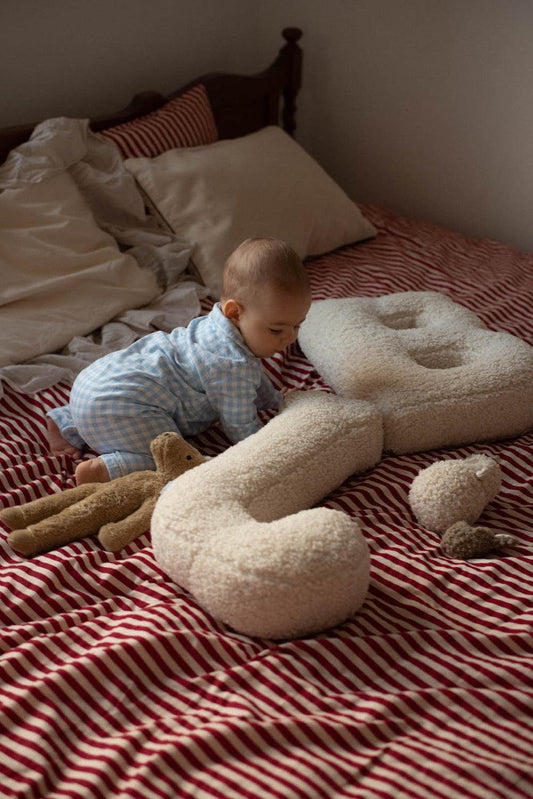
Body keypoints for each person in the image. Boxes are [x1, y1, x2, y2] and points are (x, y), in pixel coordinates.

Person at [47, 237, 311, 485]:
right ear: (235, 312)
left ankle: (65, 421)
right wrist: (267, 450)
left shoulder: (214, 328)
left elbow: (253, 376)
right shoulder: (231, 364)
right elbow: (241, 427)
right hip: (123, 406)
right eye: (276, 330)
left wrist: (273, 399)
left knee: (125, 402)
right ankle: (108, 468)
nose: (289, 338)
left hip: (91, 386)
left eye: (298, 326)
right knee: (173, 455)